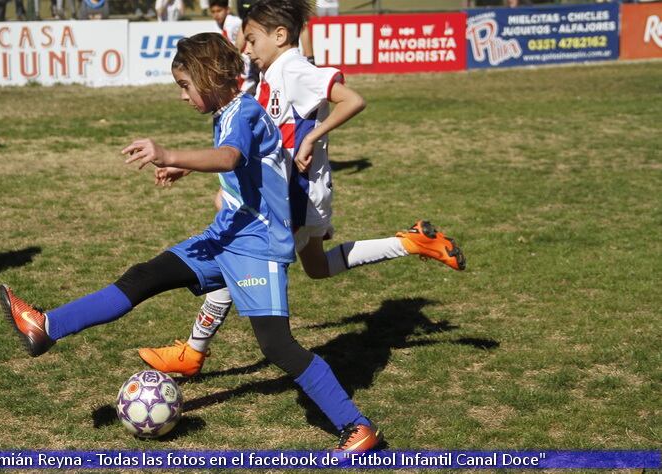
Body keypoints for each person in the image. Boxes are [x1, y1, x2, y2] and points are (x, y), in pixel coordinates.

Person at [0, 32, 380, 453]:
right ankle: (47, 326)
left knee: (277, 346)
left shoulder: (243, 111)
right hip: (226, 236)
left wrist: (170, 155)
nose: (182, 96)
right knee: (145, 276)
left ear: (211, 76)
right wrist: (187, 170)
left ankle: (356, 426)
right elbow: (242, 165)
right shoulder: (229, 111)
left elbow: (231, 157)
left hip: (256, 246)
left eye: (185, 85)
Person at [139, 0, 465, 377]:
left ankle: (193, 350)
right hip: (298, 192)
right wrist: (186, 169)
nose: (246, 49)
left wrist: (313, 139)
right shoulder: (272, 77)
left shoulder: (294, 70)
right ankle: (410, 242)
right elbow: (251, 148)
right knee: (317, 266)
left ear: (280, 36)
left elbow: (352, 100)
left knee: (238, 257)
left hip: (296, 194)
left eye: (252, 39)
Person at [209, 0, 257, 93]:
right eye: (213, 12)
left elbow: (241, 42)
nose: (216, 15)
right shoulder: (218, 24)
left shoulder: (233, 23)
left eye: (219, 11)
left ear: (227, 10)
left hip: (246, 57)